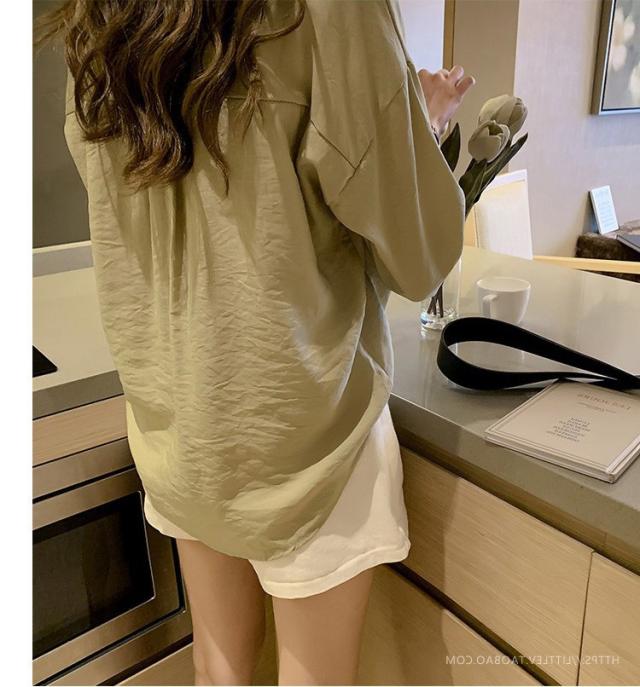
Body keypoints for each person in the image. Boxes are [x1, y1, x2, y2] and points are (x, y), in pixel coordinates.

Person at [35, 0, 474, 684]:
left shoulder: (98, 18)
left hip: (179, 425)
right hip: (306, 435)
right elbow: (420, 256)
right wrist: (421, 121)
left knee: (219, 671)